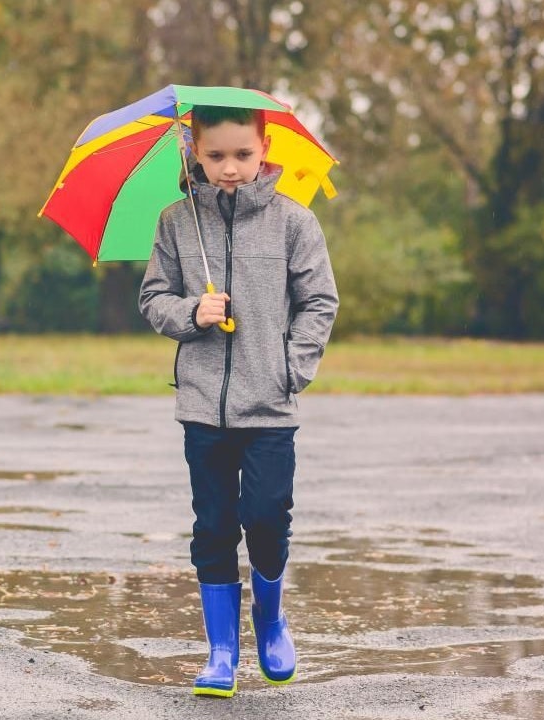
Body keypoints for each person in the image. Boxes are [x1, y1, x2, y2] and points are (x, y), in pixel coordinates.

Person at [138, 104, 339, 697]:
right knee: (214, 525)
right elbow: (153, 299)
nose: (230, 168)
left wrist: (290, 368)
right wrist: (191, 312)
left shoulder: (294, 223)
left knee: (268, 517)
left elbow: (319, 302)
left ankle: (271, 621)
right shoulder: (177, 223)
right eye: (216, 155)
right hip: (203, 407)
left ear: (264, 149)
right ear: (194, 152)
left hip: (270, 405)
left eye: (243, 154)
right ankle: (221, 651)